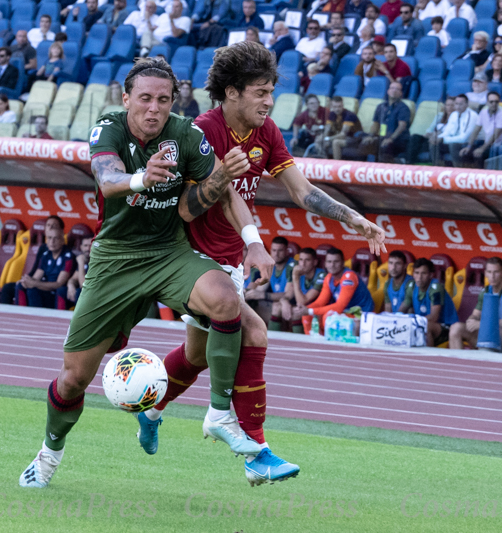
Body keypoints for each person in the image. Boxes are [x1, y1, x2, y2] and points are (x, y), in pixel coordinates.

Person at [135, 43, 386, 487]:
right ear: (231, 93)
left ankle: (152, 410)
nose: (269, 102)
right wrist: (221, 180)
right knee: (254, 331)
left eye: (271, 92)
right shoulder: (200, 132)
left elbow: (300, 189)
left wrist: (354, 219)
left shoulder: (265, 132)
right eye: (260, 92)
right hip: (187, 259)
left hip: (229, 258)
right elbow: (185, 211)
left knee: (197, 355)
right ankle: (256, 452)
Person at [19, 56, 268, 489]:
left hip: (168, 252)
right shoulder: (109, 127)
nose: (155, 109)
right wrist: (141, 179)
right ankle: (48, 454)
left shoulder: (186, 134)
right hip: (115, 260)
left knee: (227, 299)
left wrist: (255, 243)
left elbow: (225, 192)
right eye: (146, 99)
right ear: (127, 98)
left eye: (164, 100)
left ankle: (219, 413)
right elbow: (107, 178)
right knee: (75, 377)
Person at [450, 257, 502, 350]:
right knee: (456, 328)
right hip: (490, 332)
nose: (492, 276)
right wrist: (471, 320)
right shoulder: (485, 291)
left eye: (496, 272)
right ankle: (458, 363)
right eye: (489, 272)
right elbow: (475, 314)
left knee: (489, 332)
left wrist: (482, 324)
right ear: (485, 273)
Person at [305, 247, 376, 329]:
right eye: (329, 262)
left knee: (329, 317)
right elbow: (320, 302)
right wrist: (305, 309)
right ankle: (312, 340)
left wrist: (311, 311)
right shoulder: (329, 277)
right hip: (347, 313)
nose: (332, 265)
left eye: (336, 262)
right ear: (325, 264)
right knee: (306, 315)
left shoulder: (349, 277)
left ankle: (328, 341)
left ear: (343, 263)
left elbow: (339, 307)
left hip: (362, 315)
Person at [399, 258, 459, 347]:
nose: (419, 277)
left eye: (423, 273)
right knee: (409, 313)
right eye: (416, 273)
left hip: (447, 328)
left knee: (425, 327)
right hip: (422, 323)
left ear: (431, 275)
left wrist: (412, 322)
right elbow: (402, 309)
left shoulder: (436, 288)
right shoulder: (411, 286)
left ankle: (428, 355)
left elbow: (434, 317)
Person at [15, 227, 76, 309]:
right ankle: (20, 315)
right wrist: (26, 281)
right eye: (49, 238)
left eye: (56, 238)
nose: (52, 242)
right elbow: (36, 277)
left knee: (32, 291)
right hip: (44, 289)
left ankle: (35, 319)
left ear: (62, 240)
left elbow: (59, 284)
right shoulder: (46, 255)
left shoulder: (68, 257)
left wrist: (35, 284)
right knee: (20, 285)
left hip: (56, 294)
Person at [243, 237, 294, 330]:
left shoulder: (292, 266)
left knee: (275, 306)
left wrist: (263, 295)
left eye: (280, 251)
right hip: (274, 304)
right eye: (274, 250)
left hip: (290, 304)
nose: (276, 254)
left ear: (287, 251)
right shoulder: (268, 264)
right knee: (245, 302)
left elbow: (288, 295)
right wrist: (246, 292)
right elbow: (256, 287)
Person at [360, 81, 411, 163]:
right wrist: (371, 135)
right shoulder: (381, 106)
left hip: (398, 140)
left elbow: (402, 126)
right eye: (392, 88)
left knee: (385, 145)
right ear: (388, 91)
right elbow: (375, 124)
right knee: (365, 142)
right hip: (383, 136)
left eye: (397, 89)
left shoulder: (403, 108)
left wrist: (391, 138)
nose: (394, 90)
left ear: (401, 93)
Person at [458, 91, 502, 168]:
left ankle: (484, 176)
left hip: (498, 145)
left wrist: (482, 148)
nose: (494, 104)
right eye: (491, 102)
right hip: (487, 143)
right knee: (465, 151)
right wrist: (469, 146)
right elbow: (476, 131)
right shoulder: (483, 112)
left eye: (496, 102)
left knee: (481, 153)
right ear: (487, 102)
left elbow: (495, 135)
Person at [282, 247, 326, 333]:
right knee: (277, 307)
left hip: (317, 310)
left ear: (315, 262)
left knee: (296, 312)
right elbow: (287, 294)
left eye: (307, 260)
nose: (303, 264)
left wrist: (295, 277)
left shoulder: (321, 275)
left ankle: (299, 343)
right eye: (301, 260)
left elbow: (301, 302)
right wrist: (284, 302)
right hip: (303, 309)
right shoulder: (297, 272)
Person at [317, 96, 362, 160]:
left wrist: (328, 138)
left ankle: (336, 163)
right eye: (335, 107)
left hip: (354, 139)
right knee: (319, 139)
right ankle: (324, 159)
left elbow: (343, 134)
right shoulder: (332, 114)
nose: (337, 109)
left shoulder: (349, 115)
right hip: (343, 138)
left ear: (343, 105)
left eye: (339, 106)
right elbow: (327, 129)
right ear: (331, 106)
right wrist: (322, 137)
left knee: (336, 142)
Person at [439, 93, 478, 167]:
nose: (458, 106)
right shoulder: (454, 114)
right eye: (456, 104)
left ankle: (457, 171)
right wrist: (440, 138)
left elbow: (464, 138)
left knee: (453, 145)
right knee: (435, 143)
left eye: (461, 104)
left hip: (469, 143)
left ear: (467, 104)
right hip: (454, 140)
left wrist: (444, 139)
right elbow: (447, 131)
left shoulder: (472, 115)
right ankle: (437, 168)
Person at [413, 95, 454, 164]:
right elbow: (430, 130)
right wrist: (429, 134)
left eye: (452, 105)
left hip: (444, 141)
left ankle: (436, 166)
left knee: (434, 143)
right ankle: (409, 163)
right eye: (448, 105)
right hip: (433, 137)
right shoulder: (439, 116)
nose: (449, 107)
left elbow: (451, 132)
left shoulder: (456, 118)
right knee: (415, 137)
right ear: (444, 106)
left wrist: (438, 135)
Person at [66, 236, 92, 306]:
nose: (88, 249)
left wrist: (81, 263)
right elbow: (73, 278)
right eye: (85, 246)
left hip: (93, 296)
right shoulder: (85, 260)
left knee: (79, 292)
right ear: (81, 247)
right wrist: (70, 284)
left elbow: (83, 286)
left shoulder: (96, 262)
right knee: (61, 290)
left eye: (90, 246)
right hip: (84, 294)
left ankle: (79, 317)